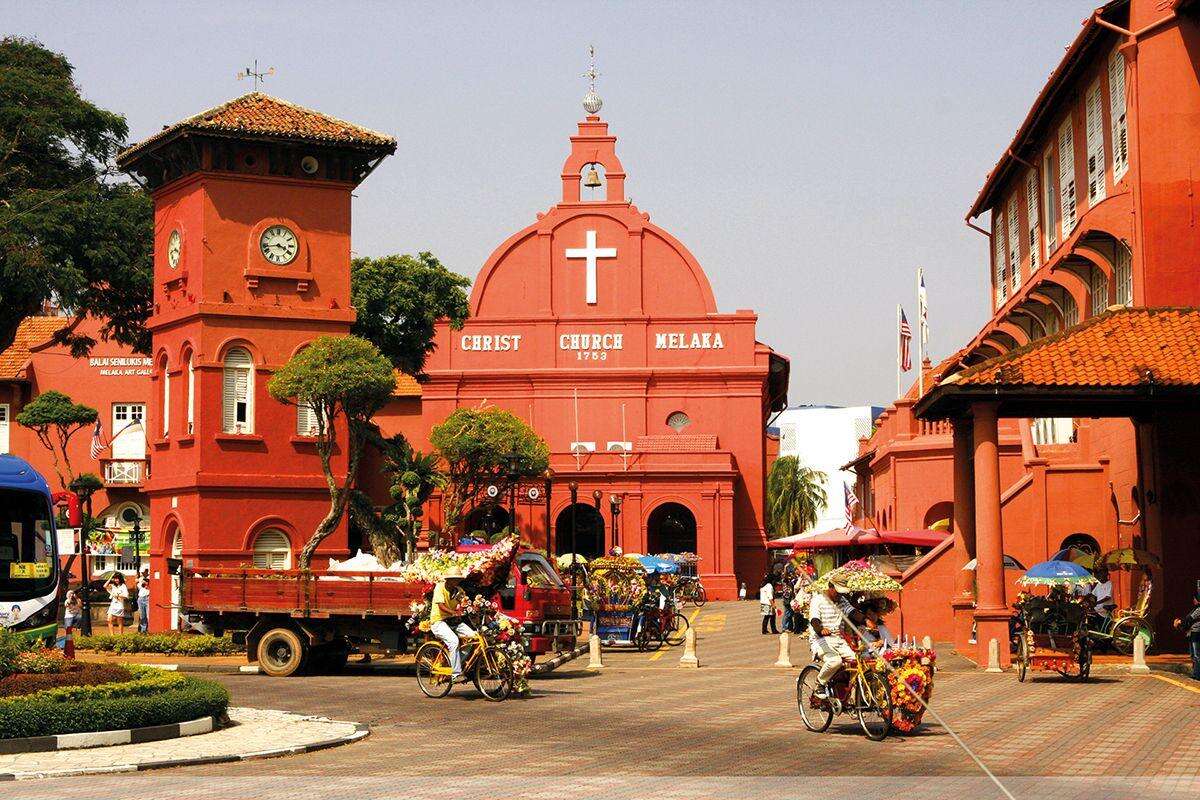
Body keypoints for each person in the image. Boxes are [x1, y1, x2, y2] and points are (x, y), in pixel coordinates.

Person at [808, 583, 855, 698]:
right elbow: (814, 620)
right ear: (830, 588)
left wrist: (866, 620)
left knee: (856, 661)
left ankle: (851, 695)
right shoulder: (818, 600)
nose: (840, 595)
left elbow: (853, 613)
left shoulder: (842, 600)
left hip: (838, 640)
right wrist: (821, 630)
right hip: (821, 640)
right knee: (835, 661)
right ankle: (820, 683)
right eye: (837, 592)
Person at [429, 568, 476, 682]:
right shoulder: (440, 587)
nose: (456, 582)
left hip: (453, 621)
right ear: (448, 580)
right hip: (439, 621)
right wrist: (454, 613)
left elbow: (463, 604)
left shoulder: (459, 591)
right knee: (454, 641)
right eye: (454, 579)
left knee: (473, 637)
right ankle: (456, 674)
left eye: (457, 580)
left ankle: (455, 663)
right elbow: (441, 606)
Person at [1173, 588, 1200, 681]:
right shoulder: (1195, 608)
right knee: (1193, 655)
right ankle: (1195, 673)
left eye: (1195, 598)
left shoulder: (1199, 609)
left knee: (1196, 655)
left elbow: (1189, 619)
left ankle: (1198, 675)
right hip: (1192, 633)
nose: (1194, 600)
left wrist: (1179, 622)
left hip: (1197, 633)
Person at [779, 562, 798, 634]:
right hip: (787, 597)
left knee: (790, 612)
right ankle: (785, 627)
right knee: (787, 612)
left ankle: (790, 627)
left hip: (790, 596)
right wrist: (785, 568)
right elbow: (785, 575)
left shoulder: (791, 577)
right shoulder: (785, 578)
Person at [136, 567, 151, 633]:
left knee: (148, 615)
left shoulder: (151, 578)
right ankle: (143, 630)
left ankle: (149, 629)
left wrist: (148, 584)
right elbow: (140, 586)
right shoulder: (140, 579)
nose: (143, 573)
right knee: (142, 615)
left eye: (144, 572)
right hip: (141, 598)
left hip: (147, 598)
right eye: (142, 572)